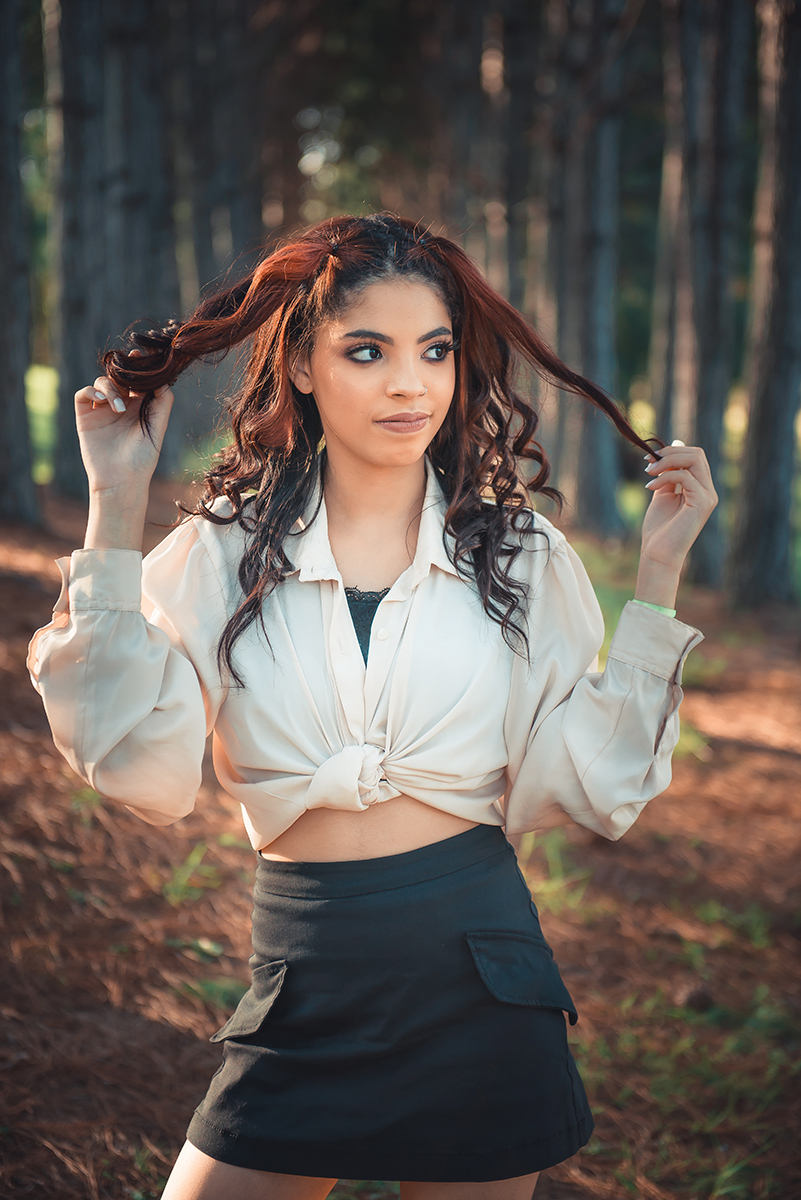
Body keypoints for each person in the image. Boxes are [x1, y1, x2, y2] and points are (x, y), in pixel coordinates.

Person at [28, 213, 716, 1200]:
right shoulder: (221, 555)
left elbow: (587, 782)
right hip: (304, 976)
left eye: (434, 350)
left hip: (480, 977)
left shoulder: (521, 559)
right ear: (302, 366)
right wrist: (113, 495)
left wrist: (658, 576)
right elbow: (126, 750)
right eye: (368, 351)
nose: (410, 384)